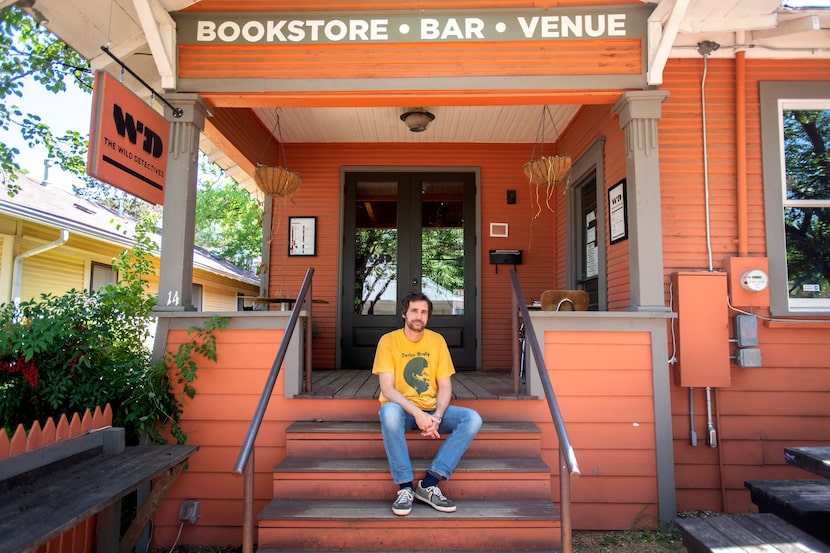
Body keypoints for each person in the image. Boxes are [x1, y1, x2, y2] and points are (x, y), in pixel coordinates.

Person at [372, 292, 482, 516]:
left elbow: (445, 387)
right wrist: (416, 412)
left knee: (472, 419)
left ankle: (430, 483)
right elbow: (387, 389)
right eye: (414, 311)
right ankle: (405, 487)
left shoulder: (437, 341)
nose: (418, 317)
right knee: (388, 414)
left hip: (431, 409)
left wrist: (437, 415)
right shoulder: (388, 341)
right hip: (402, 410)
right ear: (404, 313)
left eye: (423, 312)